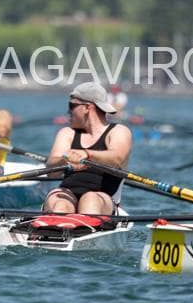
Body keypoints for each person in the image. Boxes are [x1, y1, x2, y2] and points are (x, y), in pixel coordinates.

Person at [43, 82, 133, 215]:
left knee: (90, 199)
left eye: (72, 106)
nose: (68, 112)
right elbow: (51, 172)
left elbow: (117, 158)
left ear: (87, 107)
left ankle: (80, 224)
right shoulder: (67, 133)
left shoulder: (118, 131)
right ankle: (58, 224)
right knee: (60, 202)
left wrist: (87, 155)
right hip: (67, 194)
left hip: (103, 199)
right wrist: (64, 160)